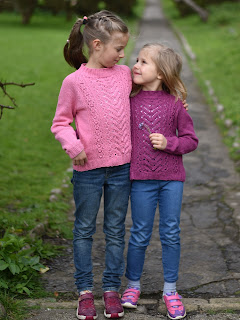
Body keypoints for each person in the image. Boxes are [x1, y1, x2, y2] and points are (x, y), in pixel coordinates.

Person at [51, 10, 132, 320]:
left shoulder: (124, 74)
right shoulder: (74, 82)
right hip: (88, 170)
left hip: (122, 167)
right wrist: (74, 146)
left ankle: (112, 289)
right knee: (84, 229)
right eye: (118, 48)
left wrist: (176, 99)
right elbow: (60, 123)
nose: (123, 55)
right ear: (97, 45)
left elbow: (150, 90)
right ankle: (85, 291)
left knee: (115, 230)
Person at [121, 43, 198, 320]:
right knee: (139, 233)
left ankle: (170, 290)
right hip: (140, 179)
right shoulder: (128, 101)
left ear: (162, 74)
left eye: (144, 62)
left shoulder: (176, 105)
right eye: (136, 60)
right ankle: (132, 286)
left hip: (171, 180)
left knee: (170, 233)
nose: (136, 65)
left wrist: (169, 142)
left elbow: (191, 140)